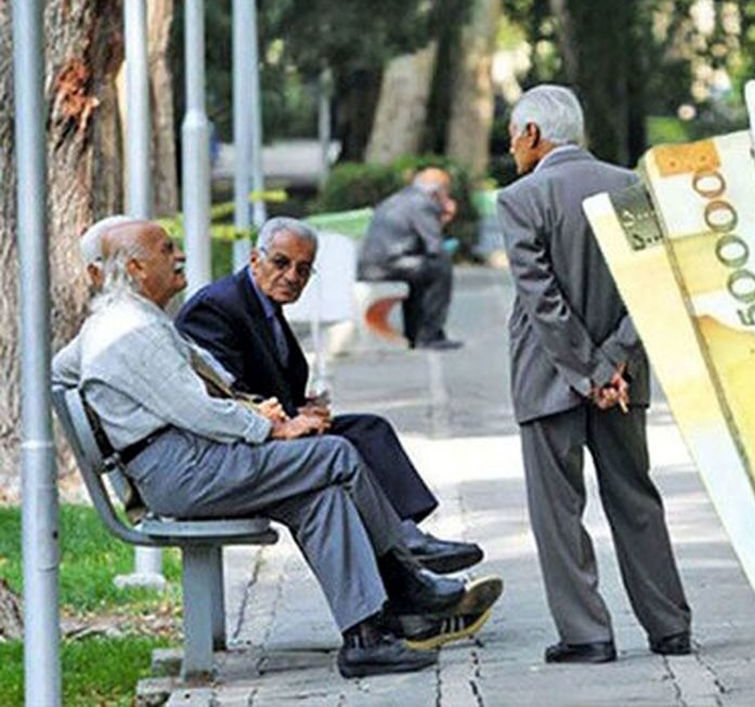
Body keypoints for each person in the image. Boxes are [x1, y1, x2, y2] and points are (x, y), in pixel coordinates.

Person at [54, 220, 501, 676]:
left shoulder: (123, 321)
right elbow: (196, 410)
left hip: (189, 462)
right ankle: (408, 580)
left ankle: (366, 638)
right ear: (135, 268)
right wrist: (271, 430)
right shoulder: (130, 330)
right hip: (183, 470)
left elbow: (58, 371)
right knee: (336, 454)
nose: (180, 255)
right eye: (167, 249)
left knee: (321, 497)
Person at [497, 85, 692, 664]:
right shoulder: (629, 186)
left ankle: (587, 634)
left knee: (558, 512)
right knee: (636, 499)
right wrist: (616, 361)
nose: (511, 148)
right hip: (624, 378)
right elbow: (654, 283)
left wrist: (588, 372)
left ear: (533, 134)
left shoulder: (521, 199)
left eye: (513, 136)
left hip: (549, 376)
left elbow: (541, 299)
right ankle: (670, 627)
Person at [175, 217, 483, 575]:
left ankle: (407, 536)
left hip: (275, 426)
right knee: (341, 454)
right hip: (235, 445)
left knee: (370, 430)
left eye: (304, 269)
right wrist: (290, 420)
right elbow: (224, 392)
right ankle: (403, 551)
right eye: (281, 263)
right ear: (255, 259)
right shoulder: (217, 306)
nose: (292, 276)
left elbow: (267, 379)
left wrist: (304, 408)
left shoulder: (264, 304)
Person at [358, 167, 461, 350]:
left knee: (422, 272)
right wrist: (445, 214)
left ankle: (414, 334)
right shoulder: (423, 203)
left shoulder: (399, 198)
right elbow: (435, 246)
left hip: (374, 266)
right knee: (440, 267)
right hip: (391, 265)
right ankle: (429, 335)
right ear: (439, 191)